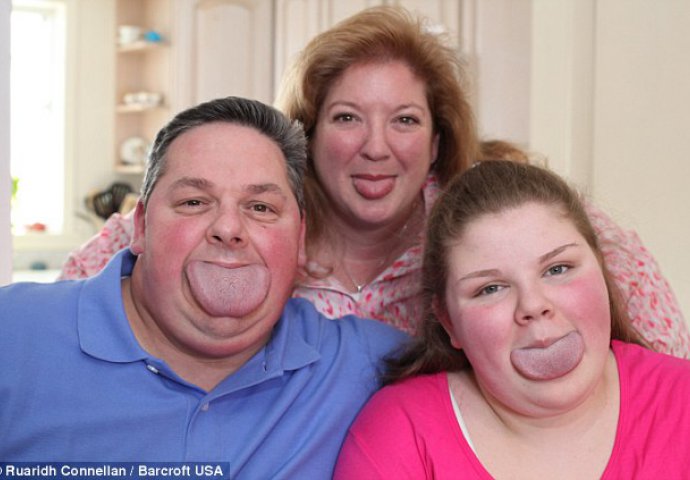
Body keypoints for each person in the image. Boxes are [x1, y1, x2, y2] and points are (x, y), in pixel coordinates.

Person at [57, 6, 690, 357]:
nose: (377, 147)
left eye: (405, 120)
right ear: (307, 136)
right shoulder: (254, 226)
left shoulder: (494, 231)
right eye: (347, 118)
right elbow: (80, 288)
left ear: (437, 141)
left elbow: (661, 351)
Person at [0, 96, 408, 477]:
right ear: (141, 227)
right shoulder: (13, 334)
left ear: (300, 240)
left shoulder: (371, 363)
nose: (228, 228)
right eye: (194, 202)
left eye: (261, 207)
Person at [334, 160, 690, 479]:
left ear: (601, 268)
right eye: (490, 289)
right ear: (449, 322)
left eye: (558, 268)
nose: (533, 305)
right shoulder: (398, 433)